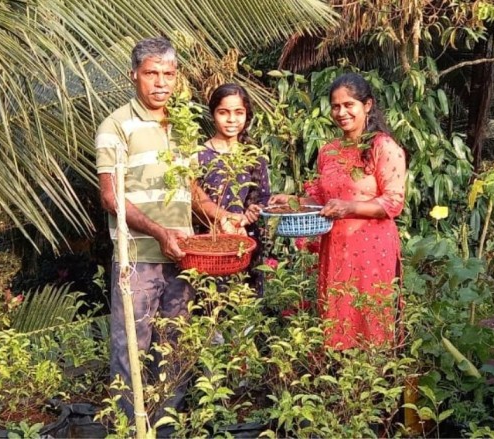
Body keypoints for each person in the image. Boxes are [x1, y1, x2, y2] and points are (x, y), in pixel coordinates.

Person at [95, 36, 238, 419]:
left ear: (177, 78)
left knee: (177, 347)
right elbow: (110, 197)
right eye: (151, 74)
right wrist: (159, 232)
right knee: (131, 350)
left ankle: (167, 425)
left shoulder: (183, 125)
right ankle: (131, 426)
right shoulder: (116, 126)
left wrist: (217, 215)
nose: (160, 83)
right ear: (133, 76)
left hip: (183, 257)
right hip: (137, 259)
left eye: (168, 74)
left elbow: (189, 188)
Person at [269, 73, 407, 350]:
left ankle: (376, 384)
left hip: (373, 248)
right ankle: (339, 382)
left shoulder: (384, 147)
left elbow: (393, 202)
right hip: (336, 247)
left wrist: (350, 208)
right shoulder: (329, 151)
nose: (341, 112)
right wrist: (292, 202)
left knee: (370, 318)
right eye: (335, 106)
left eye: (349, 105)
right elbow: (321, 198)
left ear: (367, 105)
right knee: (336, 317)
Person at [195, 83, 270, 292]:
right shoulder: (199, 155)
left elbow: (263, 197)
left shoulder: (254, 156)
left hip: (246, 242)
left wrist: (248, 217)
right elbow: (193, 200)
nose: (231, 119)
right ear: (213, 114)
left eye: (238, 113)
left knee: (246, 306)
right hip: (209, 246)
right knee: (210, 304)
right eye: (223, 112)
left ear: (247, 115)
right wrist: (219, 220)